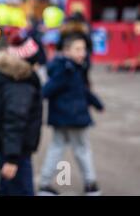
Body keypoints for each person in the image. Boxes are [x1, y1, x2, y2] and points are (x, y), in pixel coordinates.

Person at [39, 34, 104, 196]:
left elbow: (82, 90)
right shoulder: (66, 69)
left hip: (63, 118)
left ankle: (44, 184)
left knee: (57, 148)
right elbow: (47, 90)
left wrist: (96, 102)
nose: (83, 53)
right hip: (74, 118)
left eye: (83, 49)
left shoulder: (74, 66)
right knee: (82, 149)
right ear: (66, 51)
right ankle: (90, 183)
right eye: (78, 49)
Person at [0, 30, 43, 196]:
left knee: (7, 189)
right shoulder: (20, 83)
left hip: (10, 148)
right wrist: (12, 158)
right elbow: (15, 120)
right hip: (15, 152)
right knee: (22, 191)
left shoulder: (12, 77)